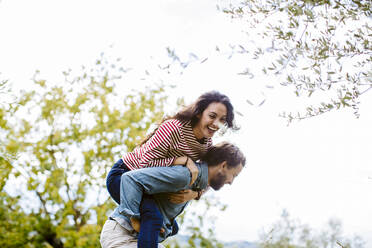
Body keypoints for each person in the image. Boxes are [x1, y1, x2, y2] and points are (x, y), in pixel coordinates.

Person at [106, 91, 237, 247]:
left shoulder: (206, 144)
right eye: (212, 116)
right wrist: (180, 160)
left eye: (222, 120)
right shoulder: (174, 128)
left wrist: (194, 194)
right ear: (199, 113)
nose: (216, 124)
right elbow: (144, 164)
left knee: (171, 227)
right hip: (125, 176)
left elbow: (209, 175)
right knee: (153, 218)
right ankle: (133, 220)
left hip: (147, 187)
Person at [100, 142, 246, 248]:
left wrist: (195, 194)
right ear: (223, 165)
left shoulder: (198, 182)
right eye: (233, 175)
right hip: (122, 234)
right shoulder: (185, 175)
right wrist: (136, 218)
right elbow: (130, 179)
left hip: (139, 239)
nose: (231, 182)